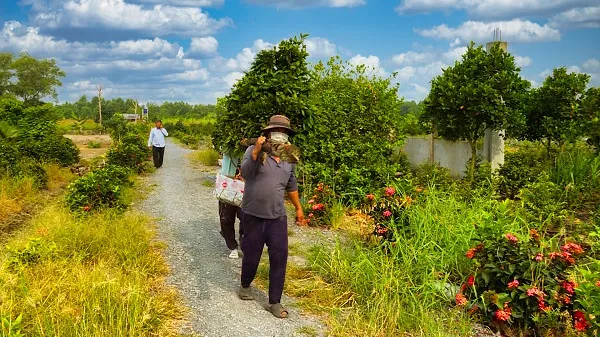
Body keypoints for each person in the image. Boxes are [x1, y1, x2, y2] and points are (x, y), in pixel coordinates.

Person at [237, 115, 305, 319]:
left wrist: (299, 209)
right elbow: (246, 174)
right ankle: (245, 285)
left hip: (277, 217)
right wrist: (257, 151)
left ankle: (274, 301)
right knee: (252, 254)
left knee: (279, 257)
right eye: (276, 132)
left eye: (283, 133)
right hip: (253, 214)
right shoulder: (254, 151)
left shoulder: (288, 158)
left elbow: (291, 185)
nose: (280, 135)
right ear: (267, 134)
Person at [218, 153, 244, 259]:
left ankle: (245, 246)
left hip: (246, 184)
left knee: (246, 218)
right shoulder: (228, 148)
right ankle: (232, 246)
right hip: (228, 183)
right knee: (225, 218)